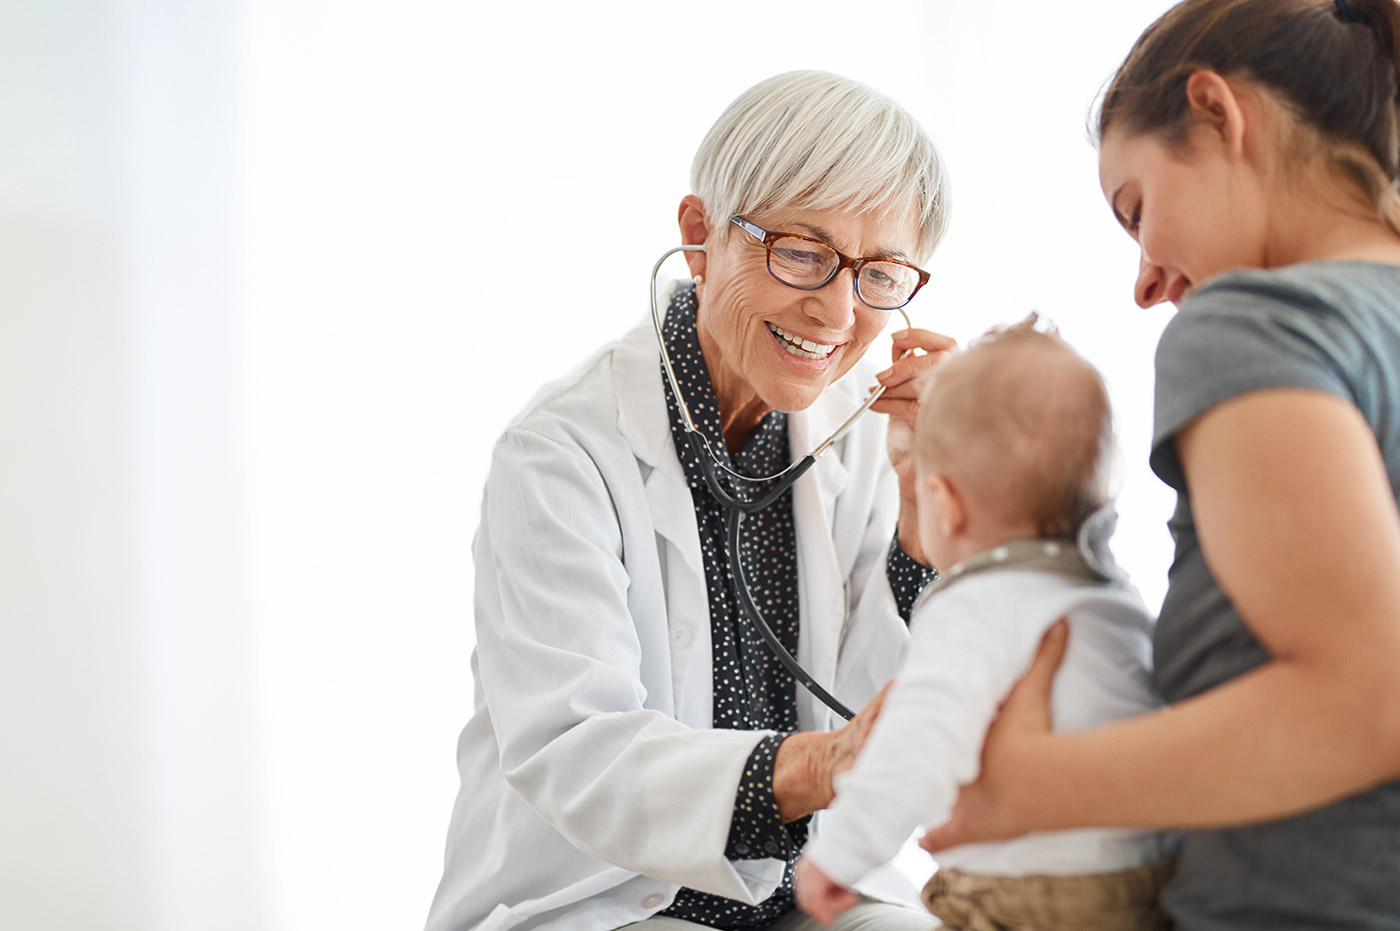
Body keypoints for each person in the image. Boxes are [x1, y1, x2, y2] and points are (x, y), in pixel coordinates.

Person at [425, 70, 956, 931]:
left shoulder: (863, 436)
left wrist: (932, 518)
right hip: (605, 894)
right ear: (701, 236)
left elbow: (887, 715)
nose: (836, 307)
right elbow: (578, 751)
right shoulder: (561, 453)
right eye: (800, 252)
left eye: (879, 272)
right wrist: (821, 764)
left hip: (808, 885)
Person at [917, 1, 1400, 928]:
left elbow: (1366, 701)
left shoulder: (1259, 321)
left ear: (1218, 113)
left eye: (1136, 209)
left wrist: (1030, 786)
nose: (1143, 279)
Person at [793, 321, 1174, 930]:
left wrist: (836, 858)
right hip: (1144, 882)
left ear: (943, 500)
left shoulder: (973, 606)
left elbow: (914, 744)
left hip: (1026, 895)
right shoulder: (1115, 599)